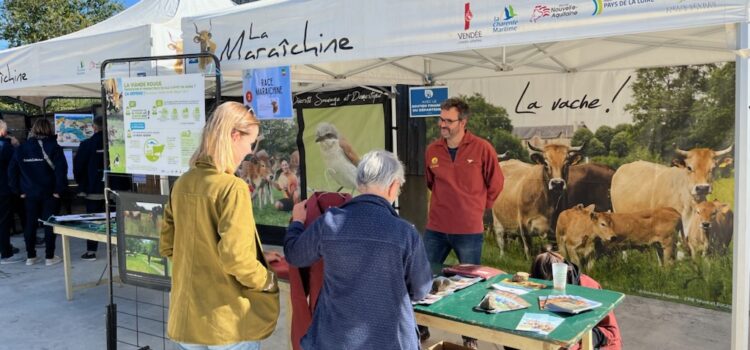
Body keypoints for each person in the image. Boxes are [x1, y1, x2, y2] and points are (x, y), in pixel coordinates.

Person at [284, 150, 432, 350]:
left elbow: (295, 254)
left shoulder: (329, 222)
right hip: (389, 342)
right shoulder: (405, 233)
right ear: (393, 186)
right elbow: (421, 289)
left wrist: (297, 222)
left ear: (360, 183)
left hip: (333, 340)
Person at [160, 102, 278, 350]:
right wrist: (266, 279)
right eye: (250, 142)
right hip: (226, 322)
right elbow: (236, 259)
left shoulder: (182, 182)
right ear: (235, 136)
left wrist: (255, 254)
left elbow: (169, 246)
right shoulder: (232, 187)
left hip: (187, 318)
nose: (249, 151)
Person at [421, 97, 504, 348]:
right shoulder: (432, 150)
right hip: (436, 228)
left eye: (448, 120)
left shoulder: (482, 148)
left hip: (469, 230)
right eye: (440, 119)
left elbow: (496, 183)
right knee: (422, 278)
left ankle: (470, 337)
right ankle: (420, 328)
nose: (442, 124)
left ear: (463, 122)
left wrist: (478, 207)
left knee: (471, 286)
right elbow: (430, 182)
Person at [530, 248, 622, 350]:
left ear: (564, 275)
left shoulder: (590, 287)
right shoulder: (533, 285)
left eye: (551, 286)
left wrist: (582, 340)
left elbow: (611, 332)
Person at [8, 118, 67, 266]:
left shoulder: (21, 148)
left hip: (28, 194)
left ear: (33, 129)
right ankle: (49, 257)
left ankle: (31, 256)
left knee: (30, 224)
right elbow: (61, 171)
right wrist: (58, 191)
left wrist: (18, 191)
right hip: (50, 193)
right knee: (49, 223)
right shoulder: (54, 147)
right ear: (49, 129)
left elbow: (12, 171)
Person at [73, 116, 105, 261]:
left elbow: (78, 167)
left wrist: (82, 184)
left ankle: (91, 251)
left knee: (92, 220)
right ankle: (119, 249)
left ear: (94, 127)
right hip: (114, 189)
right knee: (116, 219)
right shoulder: (115, 143)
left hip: (92, 189)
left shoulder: (86, 145)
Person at [0, 120, 24, 264]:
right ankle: (6, 254)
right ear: (3, 131)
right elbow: (18, 161)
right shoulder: (5, 147)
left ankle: (5, 247)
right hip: (4, 189)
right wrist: (16, 145)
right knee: (4, 221)